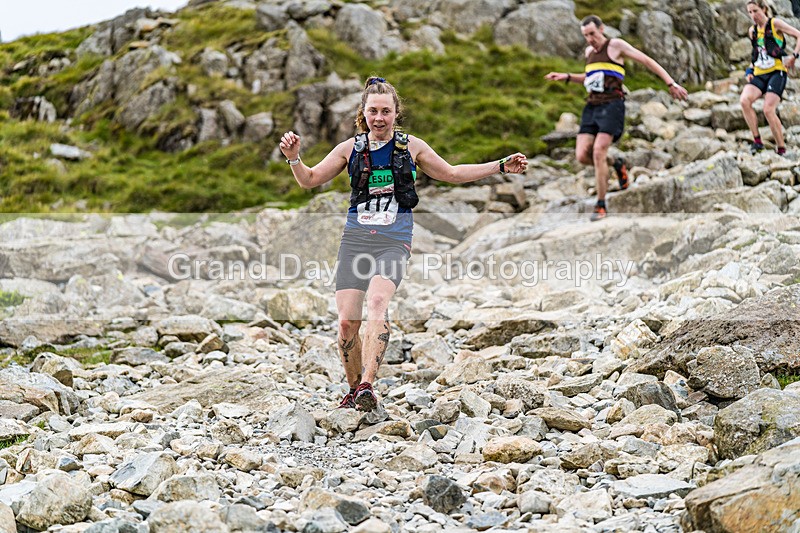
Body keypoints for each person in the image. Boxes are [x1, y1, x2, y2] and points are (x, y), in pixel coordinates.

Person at [278, 77, 528, 412]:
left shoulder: (412, 147)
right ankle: (353, 390)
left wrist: (499, 166)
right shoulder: (349, 149)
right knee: (347, 323)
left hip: (394, 240)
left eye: (386, 111)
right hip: (355, 240)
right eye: (373, 111)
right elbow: (309, 180)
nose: (379, 118)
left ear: (396, 113)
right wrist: (294, 158)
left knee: (377, 302)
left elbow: (453, 173)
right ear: (363, 113)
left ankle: (367, 384)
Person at [545, 15, 689, 221]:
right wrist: (567, 77)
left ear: (601, 29)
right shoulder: (589, 53)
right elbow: (592, 77)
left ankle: (601, 205)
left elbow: (647, 60)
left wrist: (670, 83)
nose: (590, 39)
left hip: (612, 105)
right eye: (585, 36)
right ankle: (617, 164)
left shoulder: (616, 46)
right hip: (592, 106)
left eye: (592, 34)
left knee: (598, 152)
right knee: (582, 156)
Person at [740, 0, 800, 156]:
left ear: (764, 9)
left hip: (777, 72)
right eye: (750, 12)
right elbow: (757, 54)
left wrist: (794, 56)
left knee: (768, 110)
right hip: (759, 72)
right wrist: (749, 70)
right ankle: (757, 142)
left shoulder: (775, 24)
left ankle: (781, 148)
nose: (753, 15)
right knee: (744, 101)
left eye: (755, 11)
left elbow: (798, 35)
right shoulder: (752, 31)